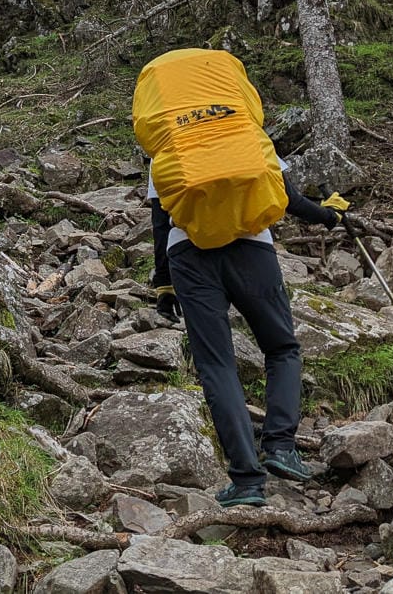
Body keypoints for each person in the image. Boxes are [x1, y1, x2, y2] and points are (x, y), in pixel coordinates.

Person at [147, 157, 360, 507]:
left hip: (188, 251)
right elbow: (288, 196)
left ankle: (246, 480)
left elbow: (160, 218)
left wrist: (164, 283)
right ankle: (280, 446)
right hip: (253, 247)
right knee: (281, 348)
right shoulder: (243, 128)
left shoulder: (168, 140)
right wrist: (329, 215)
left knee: (216, 365)